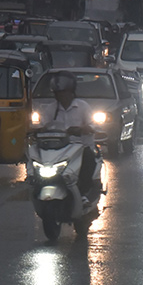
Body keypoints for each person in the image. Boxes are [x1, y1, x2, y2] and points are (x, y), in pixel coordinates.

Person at [35, 71, 98, 200]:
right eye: (59, 93)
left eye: (65, 92)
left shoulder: (82, 107)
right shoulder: (51, 109)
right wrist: (38, 130)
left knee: (88, 160)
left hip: (80, 148)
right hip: (58, 148)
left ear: (71, 92)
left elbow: (94, 126)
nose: (62, 96)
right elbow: (43, 126)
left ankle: (84, 193)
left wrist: (82, 129)